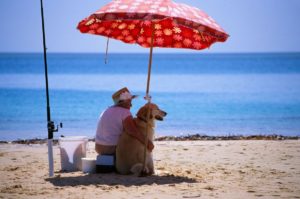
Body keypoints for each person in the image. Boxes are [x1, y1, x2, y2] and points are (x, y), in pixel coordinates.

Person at [95, 87, 154, 155]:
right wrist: (147, 142)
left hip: (98, 147)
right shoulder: (125, 112)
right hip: (111, 148)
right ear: (123, 102)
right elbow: (132, 131)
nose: (131, 105)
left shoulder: (107, 110)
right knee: (137, 141)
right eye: (129, 101)